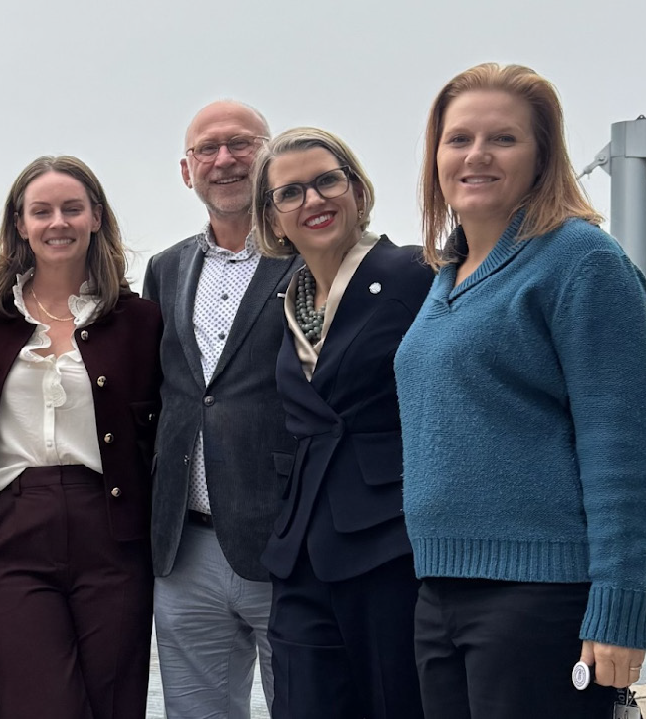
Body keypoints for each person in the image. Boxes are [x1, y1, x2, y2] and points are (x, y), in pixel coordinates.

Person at [395, 63, 646, 718]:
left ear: (542, 155)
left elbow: (619, 448)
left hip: (540, 597)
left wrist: (620, 607)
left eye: (503, 139)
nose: (476, 154)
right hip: (440, 592)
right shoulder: (447, 273)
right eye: (458, 139)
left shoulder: (581, 261)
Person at [0, 155, 161, 719]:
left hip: (113, 533)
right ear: (19, 224)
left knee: (115, 704)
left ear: (96, 217)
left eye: (72, 209)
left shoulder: (138, 319)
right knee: (43, 706)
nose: (58, 222)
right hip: (10, 533)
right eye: (40, 211)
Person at [250, 127, 431, 719]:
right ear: (273, 219)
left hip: (390, 536)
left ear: (356, 189)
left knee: (394, 701)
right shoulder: (289, 300)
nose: (313, 200)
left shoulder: (415, 276)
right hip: (303, 541)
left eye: (327, 181)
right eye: (290, 192)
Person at [143, 100, 301, 718]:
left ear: (269, 155)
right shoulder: (165, 269)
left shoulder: (309, 253)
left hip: (286, 539)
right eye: (206, 149)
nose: (225, 159)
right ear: (187, 172)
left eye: (241, 144)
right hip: (185, 548)